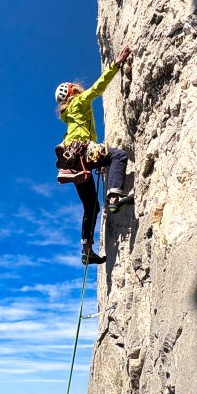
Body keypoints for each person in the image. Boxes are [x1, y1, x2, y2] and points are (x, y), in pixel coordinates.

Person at [55, 45, 134, 265]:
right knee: (118, 156)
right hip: (84, 151)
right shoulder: (80, 101)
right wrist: (116, 64)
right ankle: (114, 197)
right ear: (72, 92)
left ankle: (86, 250)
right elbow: (98, 88)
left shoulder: (69, 116)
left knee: (91, 207)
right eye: (75, 88)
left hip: (75, 161)